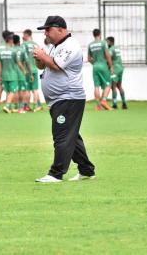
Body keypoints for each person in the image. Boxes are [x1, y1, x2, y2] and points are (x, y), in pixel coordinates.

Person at [33, 15, 95, 183]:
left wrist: (44, 56)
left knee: (61, 135)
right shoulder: (56, 46)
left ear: (60, 29)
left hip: (68, 98)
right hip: (59, 100)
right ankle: (86, 170)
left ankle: (56, 173)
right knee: (70, 136)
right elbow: (44, 66)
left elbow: (56, 65)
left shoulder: (70, 46)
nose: (45, 33)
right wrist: (39, 58)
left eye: (48, 29)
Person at [0, 31, 25, 113]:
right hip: (12, 74)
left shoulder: (0, 49)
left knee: (2, 90)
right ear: (10, 40)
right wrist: (23, 71)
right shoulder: (13, 50)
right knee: (13, 91)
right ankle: (7, 105)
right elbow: (19, 63)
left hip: (3, 74)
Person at [88, 29, 114, 111]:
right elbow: (107, 55)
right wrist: (111, 66)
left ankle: (98, 106)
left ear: (93, 35)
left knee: (96, 86)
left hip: (95, 66)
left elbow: (89, 59)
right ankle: (103, 101)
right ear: (100, 34)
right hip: (103, 65)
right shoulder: (103, 43)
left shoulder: (90, 44)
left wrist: (95, 63)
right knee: (108, 84)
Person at [22, 29, 42, 112]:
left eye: (23, 35)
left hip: (26, 70)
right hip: (34, 69)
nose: (23, 37)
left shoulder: (23, 45)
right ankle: (36, 106)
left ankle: (26, 106)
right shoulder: (36, 45)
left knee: (27, 89)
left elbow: (22, 57)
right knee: (35, 89)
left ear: (26, 35)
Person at [106, 36, 127, 109]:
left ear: (111, 42)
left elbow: (109, 58)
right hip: (121, 68)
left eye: (107, 42)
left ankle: (114, 104)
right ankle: (124, 103)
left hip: (115, 69)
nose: (107, 43)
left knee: (113, 86)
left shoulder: (111, 49)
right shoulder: (117, 48)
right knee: (119, 86)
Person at [13, 34, 32, 113]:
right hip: (21, 72)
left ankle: (15, 107)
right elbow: (27, 62)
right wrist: (30, 73)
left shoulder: (11, 50)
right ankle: (22, 107)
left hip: (12, 73)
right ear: (19, 41)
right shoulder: (22, 50)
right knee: (23, 90)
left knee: (14, 90)